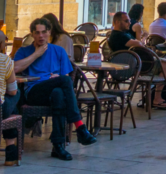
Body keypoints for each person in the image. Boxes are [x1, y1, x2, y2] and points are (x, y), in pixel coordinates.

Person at [13, 18, 97, 160]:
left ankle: (58, 146)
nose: (41, 36)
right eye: (37, 33)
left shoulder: (59, 51)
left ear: (49, 32)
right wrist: (36, 54)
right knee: (64, 82)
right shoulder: (24, 51)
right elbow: (14, 69)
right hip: (33, 92)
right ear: (32, 34)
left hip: (53, 91)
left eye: (44, 32)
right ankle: (79, 126)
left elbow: (64, 76)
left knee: (58, 94)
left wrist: (57, 77)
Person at [0, 32, 20, 165]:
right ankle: (11, 152)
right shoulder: (5, 60)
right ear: (2, 44)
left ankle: (11, 152)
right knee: (17, 95)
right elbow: (12, 91)